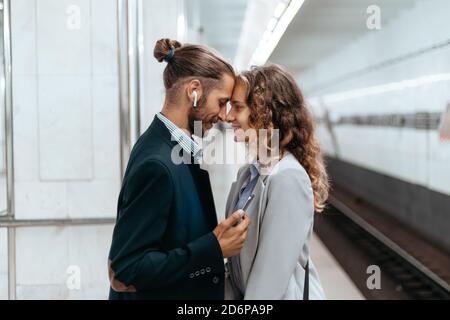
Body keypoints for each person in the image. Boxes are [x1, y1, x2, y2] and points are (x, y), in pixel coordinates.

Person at [107, 38, 251, 300]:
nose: (223, 115)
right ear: (194, 90)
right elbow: (126, 269)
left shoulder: (171, 146)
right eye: (221, 102)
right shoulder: (157, 165)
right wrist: (214, 249)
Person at [224, 64, 329, 299]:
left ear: (266, 113)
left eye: (238, 107)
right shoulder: (248, 174)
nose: (229, 116)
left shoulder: (288, 178)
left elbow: (269, 282)